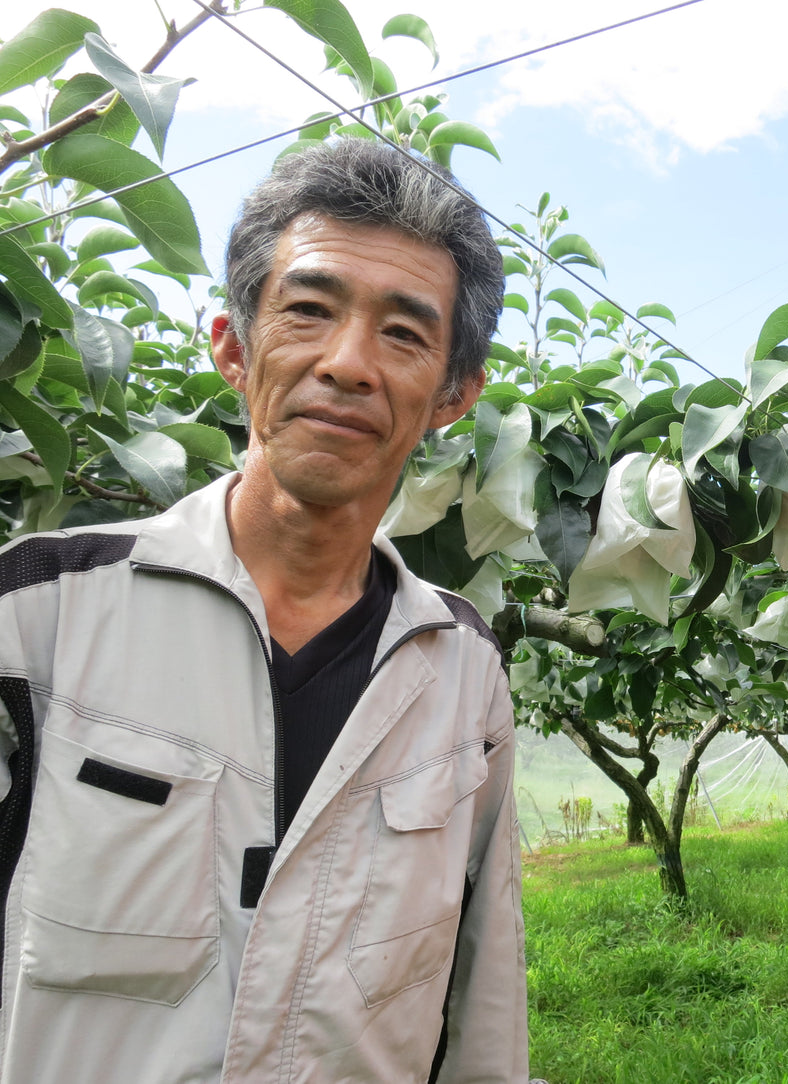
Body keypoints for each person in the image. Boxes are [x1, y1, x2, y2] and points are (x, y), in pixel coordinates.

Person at [0, 138, 529, 1082]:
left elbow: (480, 989)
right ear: (234, 348)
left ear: (455, 396)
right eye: (309, 312)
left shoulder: (462, 668)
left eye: (405, 334)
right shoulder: (37, 619)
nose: (348, 363)